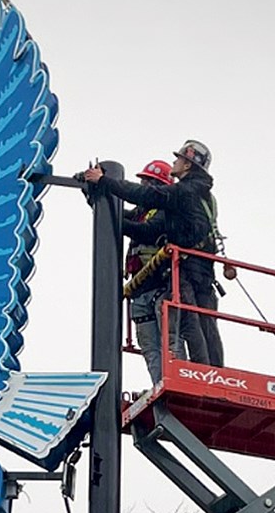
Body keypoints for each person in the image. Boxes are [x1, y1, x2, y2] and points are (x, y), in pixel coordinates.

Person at [84, 140, 222, 366]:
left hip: (187, 266)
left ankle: (205, 374)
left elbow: (144, 199)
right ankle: (213, 374)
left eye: (178, 159)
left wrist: (105, 181)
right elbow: (132, 211)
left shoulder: (184, 192)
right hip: (199, 267)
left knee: (192, 322)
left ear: (187, 165)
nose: (174, 162)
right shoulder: (198, 193)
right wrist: (96, 195)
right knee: (204, 323)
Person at [124, 160, 174, 383]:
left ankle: (173, 383)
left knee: (169, 342)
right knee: (150, 347)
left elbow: (147, 232)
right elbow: (119, 214)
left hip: (160, 285)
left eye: (147, 181)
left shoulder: (165, 210)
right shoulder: (141, 211)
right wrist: (95, 194)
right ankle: (159, 386)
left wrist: (117, 222)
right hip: (140, 288)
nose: (142, 185)